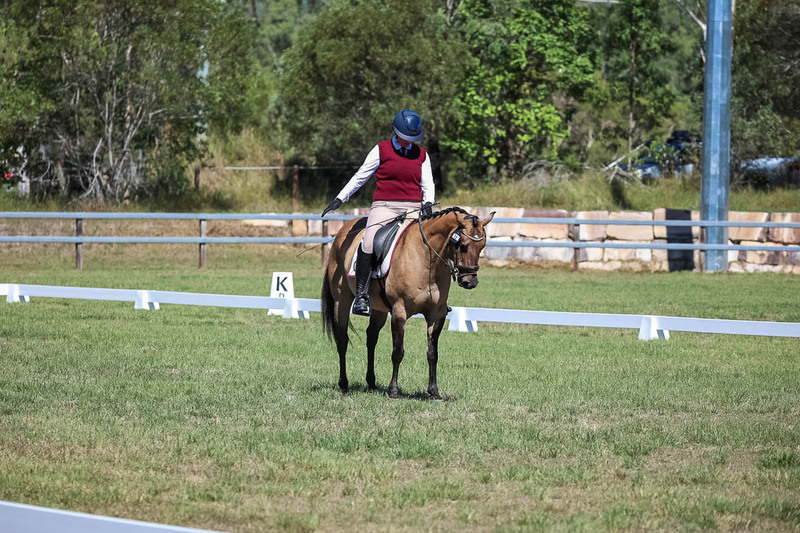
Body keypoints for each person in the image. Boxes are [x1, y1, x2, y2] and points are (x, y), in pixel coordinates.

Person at [321, 109, 435, 316]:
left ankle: (434, 295)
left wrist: (428, 203)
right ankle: (362, 295)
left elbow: (428, 183)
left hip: (413, 208)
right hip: (385, 206)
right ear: (395, 131)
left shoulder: (422, 155)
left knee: (431, 242)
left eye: (412, 138)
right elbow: (360, 177)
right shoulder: (380, 150)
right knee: (369, 241)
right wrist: (340, 197)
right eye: (404, 137)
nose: (408, 142)